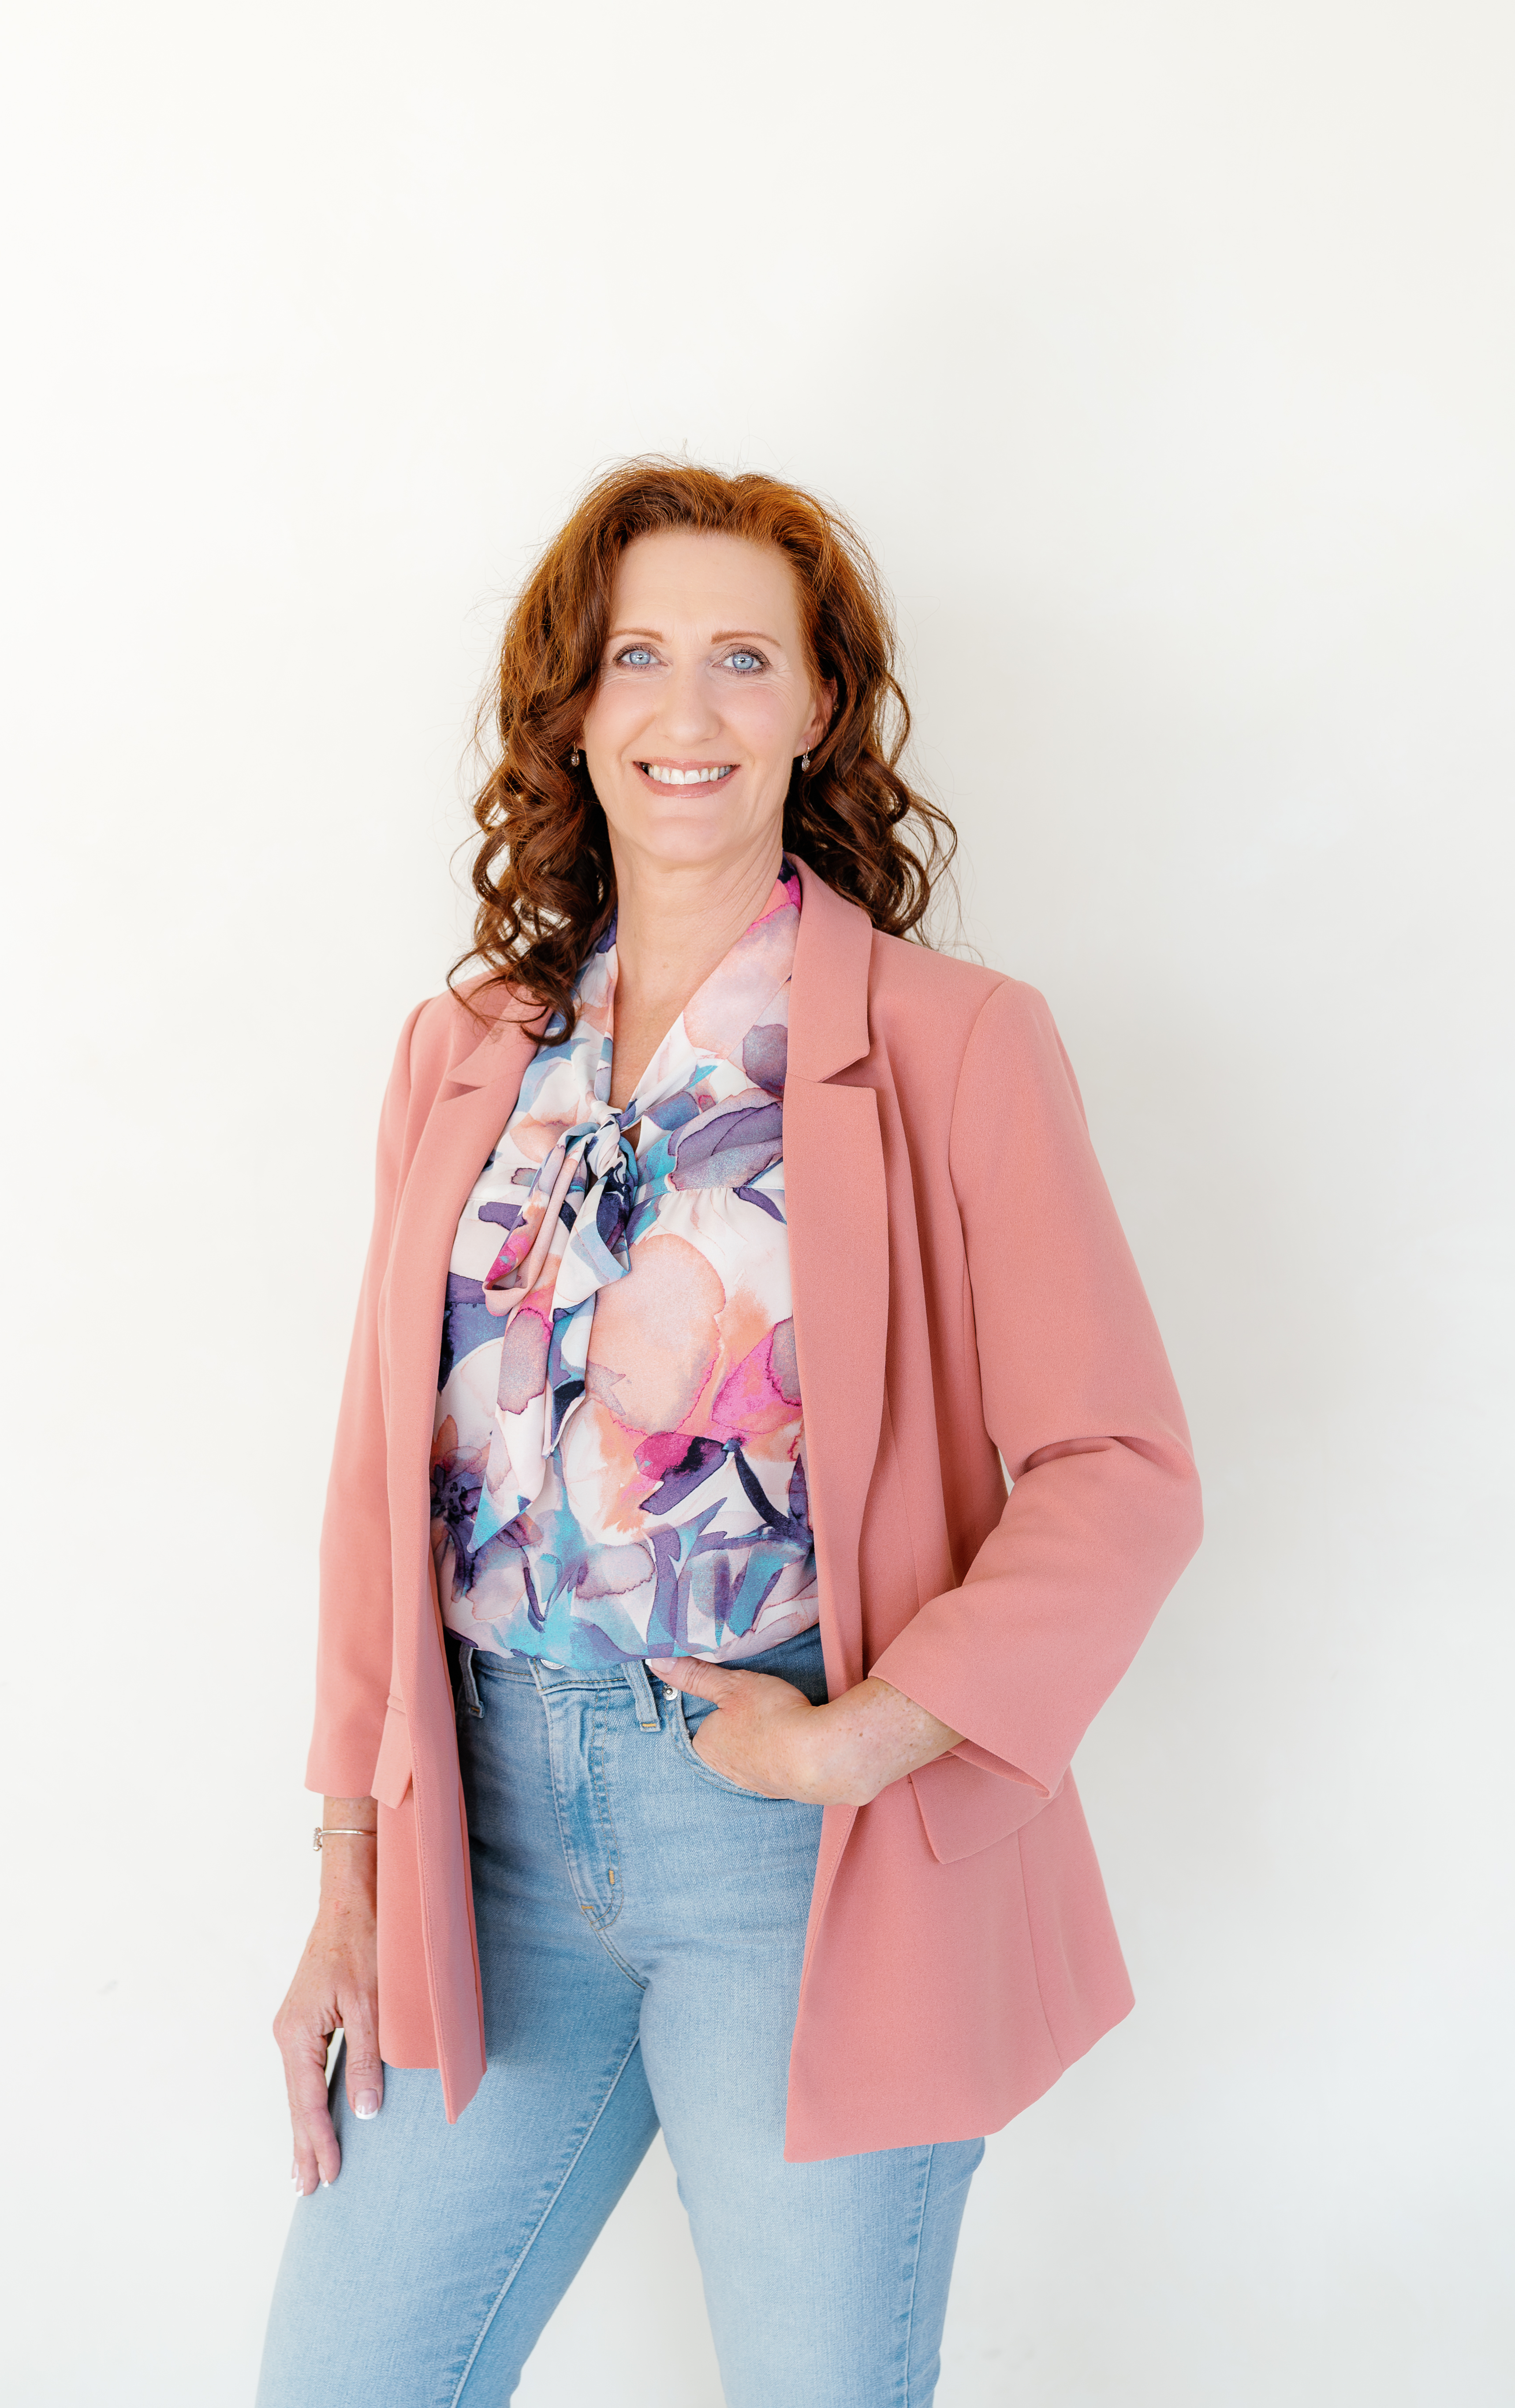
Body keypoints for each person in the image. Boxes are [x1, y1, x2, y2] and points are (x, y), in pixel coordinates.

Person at [257, 461, 1202, 2408]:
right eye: (639, 660)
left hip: (791, 1855)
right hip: (484, 1837)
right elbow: (382, 1491)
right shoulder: (463, 1054)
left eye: (743, 660)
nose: (686, 712)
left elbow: (1117, 1473)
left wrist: (863, 1736)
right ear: (576, 711)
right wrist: (348, 1867)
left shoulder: (951, 1043)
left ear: (818, 708)